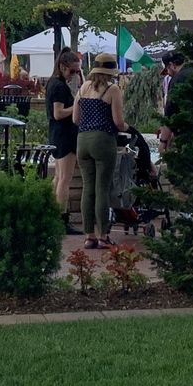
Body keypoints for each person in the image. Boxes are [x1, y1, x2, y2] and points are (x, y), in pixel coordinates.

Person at [71, 52, 128, 251]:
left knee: (88, 188)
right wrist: (127, 127)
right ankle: (103, 235)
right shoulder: (113, 90)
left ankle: (89, 236)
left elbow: (75, 120)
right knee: (102, 189)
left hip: (82, 141)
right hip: (103, 140)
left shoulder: (83, 88)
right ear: (111, 71)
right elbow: (118, 123)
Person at [46, 49, 82, 233]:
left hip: (57, 134)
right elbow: (58, 113)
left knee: (58, 177)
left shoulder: (54, 83)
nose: (74, 75)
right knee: (64, 179)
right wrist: (76, 105)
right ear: (62, 67)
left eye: (77, 71)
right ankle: (62, 219)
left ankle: (54, 215)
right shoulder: (59, 86)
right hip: (65, 135)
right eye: (72, 71)